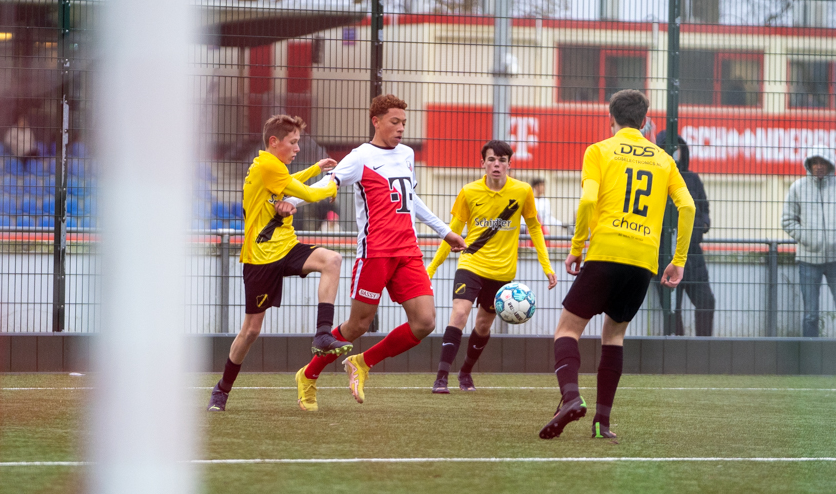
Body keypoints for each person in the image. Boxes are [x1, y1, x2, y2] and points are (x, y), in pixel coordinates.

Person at [292, 94, 467, 410]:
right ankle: (308, 374)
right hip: (374, 254)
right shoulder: (360, 157)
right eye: (394, 122)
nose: (400, 128)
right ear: (376, 121)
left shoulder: (407, 154)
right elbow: (327, 185)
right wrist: (290, 202)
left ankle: (362, 362)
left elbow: (411, 199)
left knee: (425, 322)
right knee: (357, 325)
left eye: (403, 123)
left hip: (408, 252)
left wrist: (445, 231)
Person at [539, 89, 695, 442]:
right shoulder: (664, 159)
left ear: (611, 118)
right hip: (643, 260)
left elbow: (588, 201)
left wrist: (577, 247)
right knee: (614, 335)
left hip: (606, 251)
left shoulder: (599, 150)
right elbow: (687, 208)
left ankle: (570, 395)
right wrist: (678, 260)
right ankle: (602, 422)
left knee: (567, 330)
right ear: (645, 120)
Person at [207, 115, 348, 412]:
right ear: (274, 142)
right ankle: (222, 389)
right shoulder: (268, 166)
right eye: (293, 142)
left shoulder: (271, 167)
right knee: (251, 331)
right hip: (260, 258)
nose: (297, 148)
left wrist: (314, 168)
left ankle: (323, 333)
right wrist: (332, 185)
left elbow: (289, 184)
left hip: (286, 247)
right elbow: (308, 194)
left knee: (332, 260)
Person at [427, 141, 557, 393]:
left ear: (510, 164)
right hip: (471, 263)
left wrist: (547, 266)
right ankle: (441, 376)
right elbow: (452, 232)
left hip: (503, 273)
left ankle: (465, 373)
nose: (496, 164)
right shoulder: (469, 191)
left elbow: (534, 228)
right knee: (460, 314)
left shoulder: (523, 191)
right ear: (483, 163)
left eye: (501, 160)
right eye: (491, 160)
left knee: (483, 325)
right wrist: (431, 268)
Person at [656, 131, 715, 336]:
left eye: (676, 147)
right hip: (664, 255)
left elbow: (704, 209)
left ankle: (704, 350)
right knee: (672, 311)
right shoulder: (655, 178)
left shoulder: (692, 178)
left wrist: (701, 226)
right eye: (667, 148)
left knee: (706, 302)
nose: (673, 152)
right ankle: (677, 353)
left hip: (693, 255)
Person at [782, 146, 836, 338]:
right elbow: (787, 220)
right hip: (808, 259)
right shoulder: (798, 187)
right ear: (809, 165)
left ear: (830, 165)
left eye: (823, 163)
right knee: (811, 315)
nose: (819, 167)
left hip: (835, 259)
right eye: (815, 163)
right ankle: (809, 359)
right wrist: (807, 239)